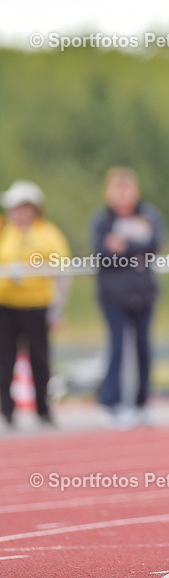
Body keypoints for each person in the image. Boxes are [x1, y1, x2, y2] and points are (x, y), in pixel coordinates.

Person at [92, 168, 164, 429]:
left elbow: (153, 245)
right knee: (118, 348)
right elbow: (101, 253)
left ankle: (141, 403)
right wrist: (132, 248)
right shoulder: (102, 220)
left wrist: (124, 245)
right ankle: (114, 403)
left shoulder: (149, 214)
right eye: (118, 189)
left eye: (127, 189)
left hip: (143, 293)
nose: (123, 195)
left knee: (143, 349)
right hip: (114, 295)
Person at [0, 180, 70, 428]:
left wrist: (56, 309)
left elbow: (62, 272)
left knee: (40, 359)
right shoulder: (5, 232)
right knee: (4, 359)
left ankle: (43, 408)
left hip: (37, 305)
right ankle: (7, 410)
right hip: (6, 306)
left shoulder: (47, 233)